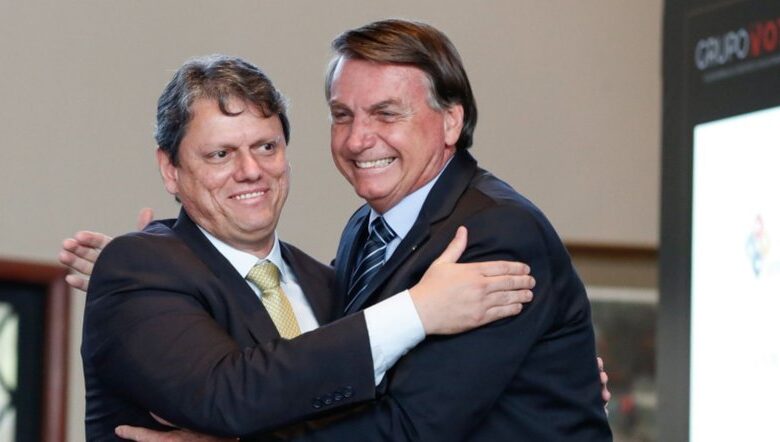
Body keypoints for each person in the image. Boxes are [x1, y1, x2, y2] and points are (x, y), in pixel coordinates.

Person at [63, 19, 613, 441]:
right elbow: (240, 386)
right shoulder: (360, 237)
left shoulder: (491, 232)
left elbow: (407, 425)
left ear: (452, 120)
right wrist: (150, 267)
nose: (357, 139)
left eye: (266, 147)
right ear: (171, 169)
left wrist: (547, 375)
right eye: (343, 116)